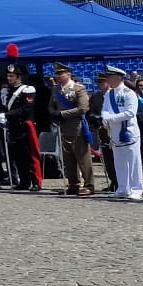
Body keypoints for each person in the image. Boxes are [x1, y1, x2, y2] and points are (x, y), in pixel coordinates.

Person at [48, 64, 96, 198]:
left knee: (83, 158)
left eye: (60, 74)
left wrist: (62, 114)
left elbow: (83, 108)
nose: (58, 76)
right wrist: (54, 114)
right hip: (63, 128)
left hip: (77, 127)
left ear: (68, 74)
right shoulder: (56, 89)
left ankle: (89, 185)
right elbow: (51, 106)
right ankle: (73, 184)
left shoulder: (78, 88)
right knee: (68, 159)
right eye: (57, 74)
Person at [97, 65, 142, 201]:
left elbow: (130, 112)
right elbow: (104, 110)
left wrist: (110, 118)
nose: (108, 80)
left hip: (128, 131)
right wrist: (105, 118)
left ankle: (136, 189)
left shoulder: (129, 93)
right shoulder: (109, 94)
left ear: (118, 78)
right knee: (119, 161)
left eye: (110, 77)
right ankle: (123, 187)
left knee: (133, 161)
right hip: (114, 131)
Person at [1, 67, 45, 192]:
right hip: (14, 126)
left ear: (18, 77)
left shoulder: (27, 90)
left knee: (30, 155)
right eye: (8, 76)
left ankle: (36, 182)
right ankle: (24, 181)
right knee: (18, 155)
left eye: (12, 76)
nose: (9, 78)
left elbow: (26, 109)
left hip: (25, 126)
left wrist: (7, 115)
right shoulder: (8, 91)